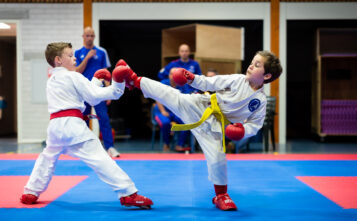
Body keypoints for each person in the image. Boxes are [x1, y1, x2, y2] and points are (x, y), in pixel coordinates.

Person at [114, 51, 282, 211]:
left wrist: (243, 130)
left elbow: (255, 125)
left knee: (218, 158)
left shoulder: (260, 101)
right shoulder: (237, 79)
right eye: (252, 62)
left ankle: (221, 196)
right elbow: (211, 82)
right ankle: (133, 78)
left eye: (257, 65)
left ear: (266, 76)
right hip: (202, 104)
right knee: (170, 94)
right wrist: (192, 78)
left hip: (215, 126)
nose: (251, 66)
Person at [20, 42, 153, 209]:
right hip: (73, 127)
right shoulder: (73, 76)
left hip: (55, 127)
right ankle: (128, 194)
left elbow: (81, 93)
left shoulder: (52, 79)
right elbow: (94, 97)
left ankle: (31, 191)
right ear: (58, 60)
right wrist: (117, 84)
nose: (75, 58)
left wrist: (95, 81)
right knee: (101, 159)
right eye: (70, 55)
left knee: (47, 158)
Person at [75, 27, 120, 158]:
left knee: (104, 119)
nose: (89, 38)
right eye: (87, 35)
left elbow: (106, 72)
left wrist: (109, 91)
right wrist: (87, 58)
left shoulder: (102, 52)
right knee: (83, 119)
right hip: (84, 91)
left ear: (94, 37)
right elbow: (77, 71)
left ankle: (110, 148)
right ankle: (84, 147)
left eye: (92, 35)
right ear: (83, 36)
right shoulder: (78, 53)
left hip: (99, 91)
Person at [154, 68, 194, 152]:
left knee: (187, 122)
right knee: (165, 123)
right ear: (169, 75)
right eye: (171, 74)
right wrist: (162, 111)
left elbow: (185, 99)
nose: (173, 76)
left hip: (176, 112)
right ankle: (166, 144)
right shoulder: (163, 83)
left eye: (175, 74)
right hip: (162, 111)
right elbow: (157, 98)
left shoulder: (182, 84)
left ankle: (180, 145)